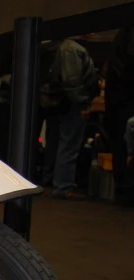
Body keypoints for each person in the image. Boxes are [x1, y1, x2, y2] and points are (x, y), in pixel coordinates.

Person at [40, 38, 99, 200]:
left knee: (55, 142)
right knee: (68, 145)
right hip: (71, 103)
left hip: (58, 102)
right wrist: (82, 102)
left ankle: (51, 180)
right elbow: (72, 81)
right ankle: (62, 186)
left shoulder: (59, 47)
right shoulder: (71, 49)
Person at [105, 25, 134, 204]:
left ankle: (123, 191)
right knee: (125, 146)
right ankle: (127, 192)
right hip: (125, 101)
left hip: (117, 101)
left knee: (119, 146)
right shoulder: (129, 35)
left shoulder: (123, 35)